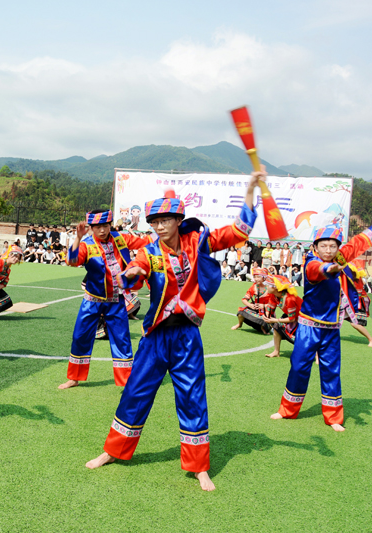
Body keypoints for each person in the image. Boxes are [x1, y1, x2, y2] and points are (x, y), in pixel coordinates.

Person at [84, 169, 263, 492]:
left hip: (187, 336)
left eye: (165, 219)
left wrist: (251, 190)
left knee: (193, 398)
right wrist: (135, 270)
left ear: (179, 219)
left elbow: (238, 231)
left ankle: (199, 467)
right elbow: (135, 271)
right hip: (156, 336)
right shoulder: (149, 251)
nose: (159, 226)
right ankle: (113, 451)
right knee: (135, 392)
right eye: (154, 222)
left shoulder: (198, 241)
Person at [271, 211, 372, 432]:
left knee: (331, 371)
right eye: (324, 246)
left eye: (332, 246)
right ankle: (287, 410)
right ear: (315, 247)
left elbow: (360, 242)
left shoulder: (339, 258)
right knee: (299, 367)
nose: (328, 250)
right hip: (308, 327)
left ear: (337, 248)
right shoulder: (311, 262)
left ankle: (333, 417)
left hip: (331, 329)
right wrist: (330, 269)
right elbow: (318, 270)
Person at [59, 210, 152, 390]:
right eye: (97, 227)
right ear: (91, 228)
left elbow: (145, 241)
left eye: (105, 226)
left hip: (116, 300)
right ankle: (74, 378)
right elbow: (71, 261)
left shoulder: (119, 238)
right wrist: (77, 238)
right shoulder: (86, 244)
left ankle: (126, 381)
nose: (102, 230)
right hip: (92, 300)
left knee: (122, 339)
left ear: (110, 225)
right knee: (80, 337)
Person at [262, 275, 303, 358]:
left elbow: (292, 319)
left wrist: (275, 320)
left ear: (275, 288)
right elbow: (269, 309)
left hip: (302, 319)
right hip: (291, 316)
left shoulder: (289, 298)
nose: (266, 287)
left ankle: (317, 354)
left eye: (269, 285)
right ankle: (276, 351)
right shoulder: (274, 295)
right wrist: (266, 316)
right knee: (277, 326)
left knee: (308, 340)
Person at [340, 261, 372, 347]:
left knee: (355, 323)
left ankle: (371, 339)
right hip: (346, 301)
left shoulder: (356, 279)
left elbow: (357, 293)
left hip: (357, 302)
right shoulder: (347, 277)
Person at [232, 267, 272, 333]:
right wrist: (250, 305)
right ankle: (239, 324)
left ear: (264, 278)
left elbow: (274, 303)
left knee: (265, 320)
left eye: (258, 277)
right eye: (255, 277)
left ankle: (263, 327)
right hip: (256, 309)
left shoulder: (270, 288)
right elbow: (244, 299)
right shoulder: (254, 286)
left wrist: (264, 306)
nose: (256, 279)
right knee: (240, 313)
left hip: (267, 310)